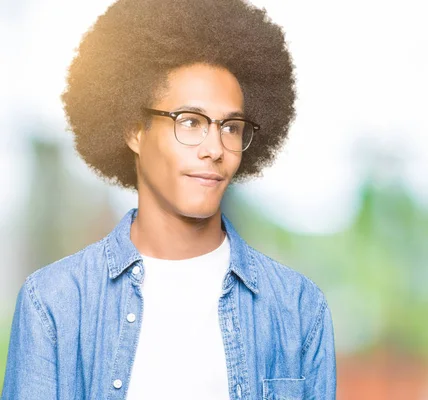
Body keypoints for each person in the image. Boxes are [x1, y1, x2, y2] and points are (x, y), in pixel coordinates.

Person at [1, 0, 336, 398]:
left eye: (230, 127)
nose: (215, 148)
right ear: (134, 131)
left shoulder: (298, 308)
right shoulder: (54, 304)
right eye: (190, 122)